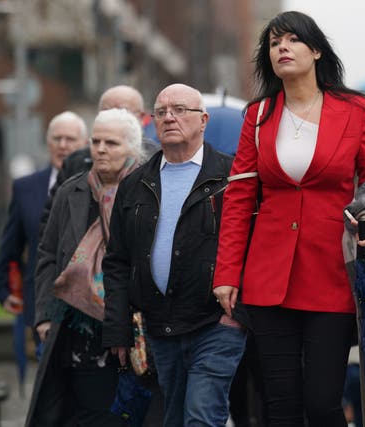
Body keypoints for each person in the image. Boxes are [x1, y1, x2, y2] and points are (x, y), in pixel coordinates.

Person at [212, 11, 365, 426]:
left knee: (323, 401)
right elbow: (238, 197)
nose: (282, 49)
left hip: (330, 273)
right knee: (280, 403)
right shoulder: (257, 116)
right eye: (274, 44)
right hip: (268, 277)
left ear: (316, 50)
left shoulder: (355, 109)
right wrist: (227, 274)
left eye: (292, 40)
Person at [102, 83, 247, 427]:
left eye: (180, 110)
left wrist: (237, 317)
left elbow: (253, 249)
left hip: (216, 323)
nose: (169, 117)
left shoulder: (231, 178)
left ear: (203, 120)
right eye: (161, 111)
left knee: (201, 417)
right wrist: (118, 327)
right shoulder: (135, 184)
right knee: (174, 418)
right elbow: (118, 261)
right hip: (160, 326)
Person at [26, 108, 143, 426]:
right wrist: (44, 316)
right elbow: (47, 255)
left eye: (112, 143)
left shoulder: (147, 189)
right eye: (96, 141)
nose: (101, 149)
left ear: (132, 147)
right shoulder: (71, 191)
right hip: (80, 331)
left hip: (133, 328)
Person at [0, 111, 87, 349]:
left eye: (70, 139)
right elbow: (11, 243)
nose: (63, 145)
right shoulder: (26, 187)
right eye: (57, 139)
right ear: (47, 142)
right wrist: (3, 290)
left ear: (85, 144)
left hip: (87, 304)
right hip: (41, 304)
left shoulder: (95, 183)